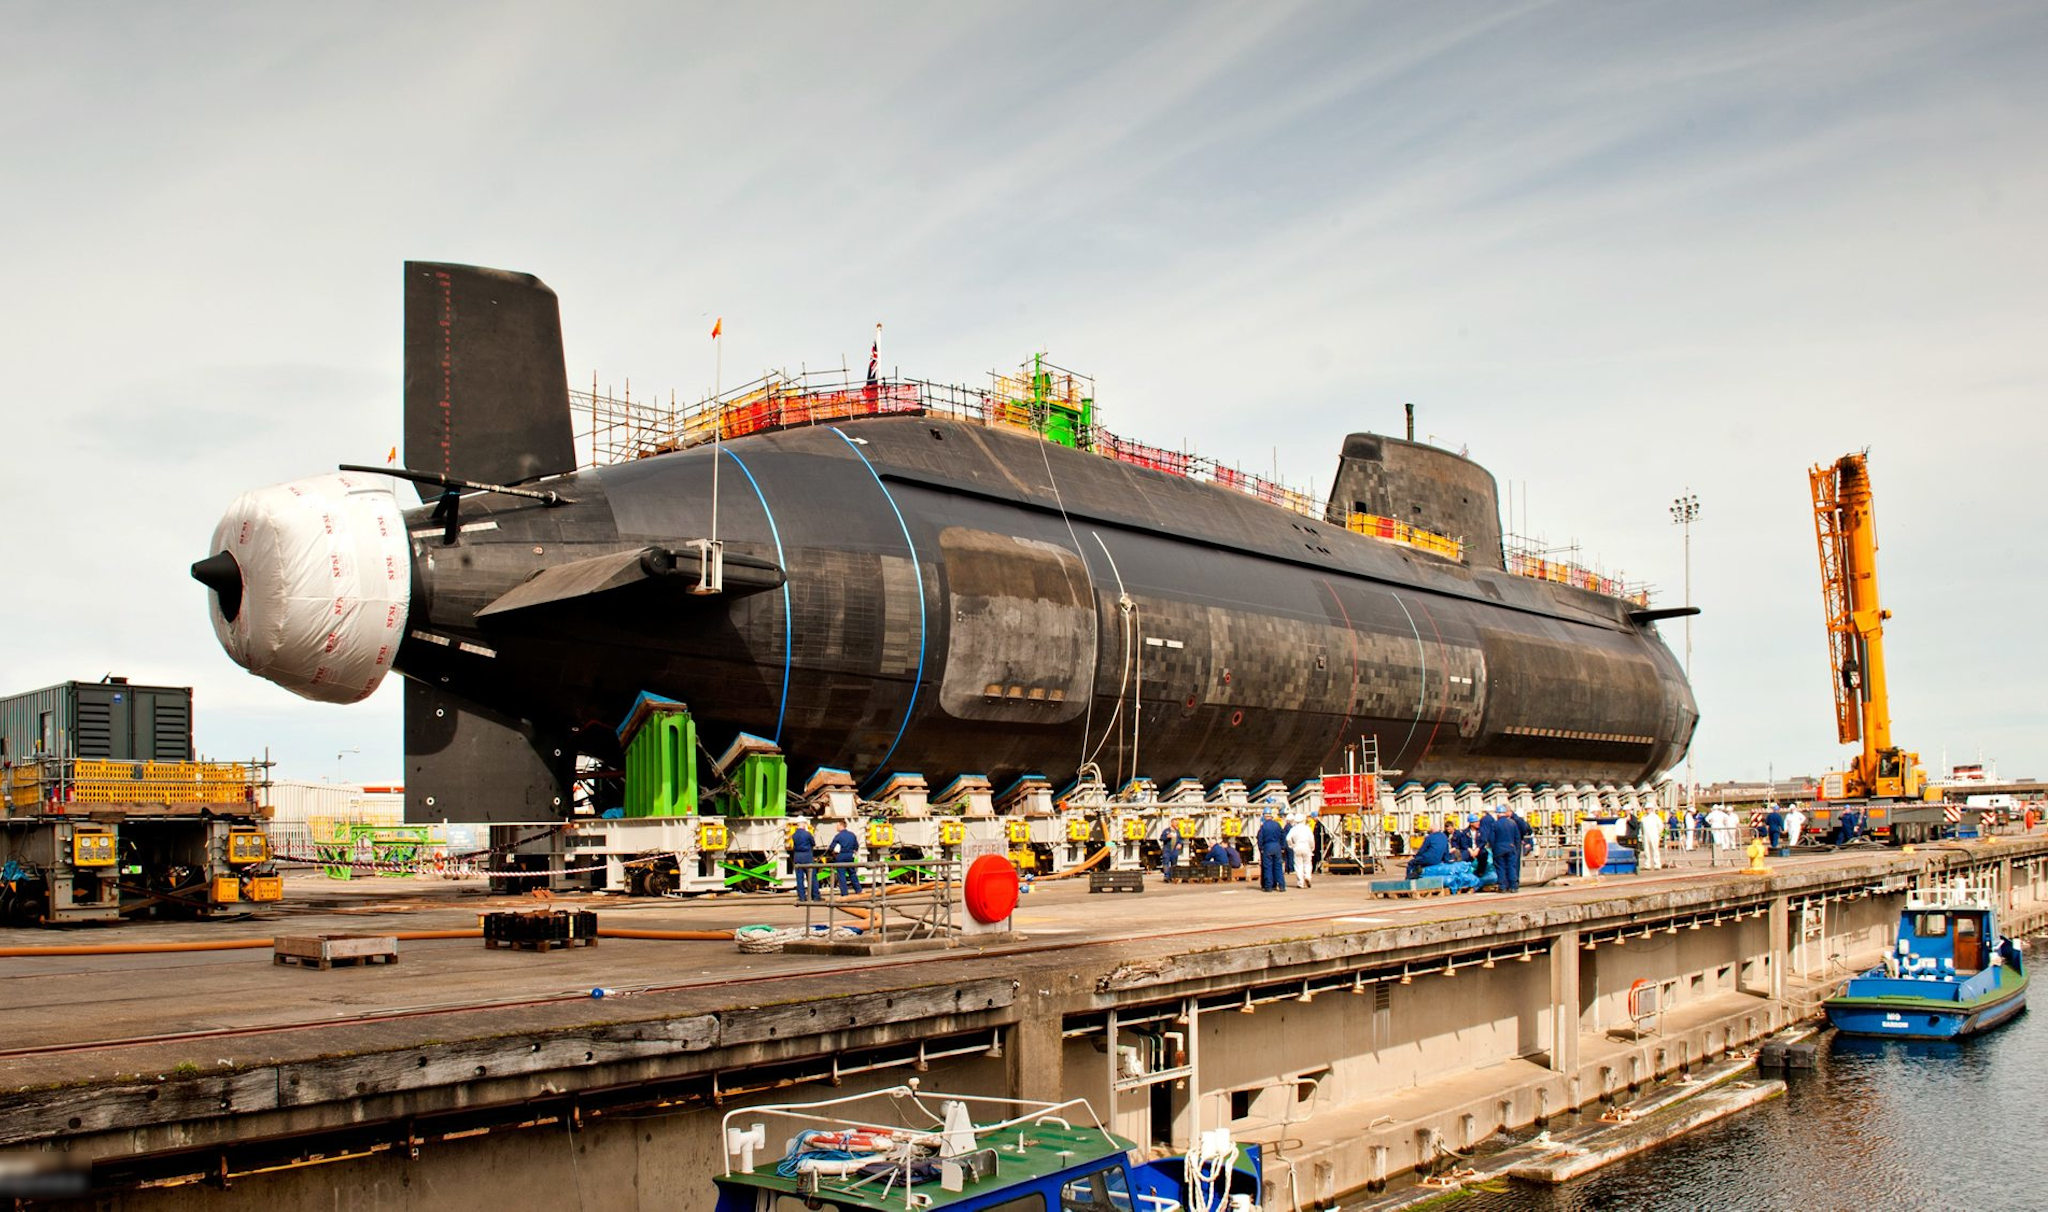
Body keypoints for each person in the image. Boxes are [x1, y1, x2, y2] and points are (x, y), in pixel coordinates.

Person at [1256, 811, 1287, 892]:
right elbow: (1283, 835)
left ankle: (1269, 887)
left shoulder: (1263, 826)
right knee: (1278, 867)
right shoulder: (1277, 825)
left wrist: (1261, 848)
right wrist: (1282, 847)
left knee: (1268, 867)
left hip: (1267, 847)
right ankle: (1281, 886)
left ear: (1264, 816)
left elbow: (1260, 838)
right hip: (1277, 847)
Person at [828, 822, 862, 894]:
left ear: (841, 826)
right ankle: (858, 890)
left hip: (841, 856)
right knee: (852, 873)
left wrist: (833, 853)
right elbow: (856, 846)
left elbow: (831, 847)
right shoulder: (852, 835)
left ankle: (844, 893)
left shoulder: (838, 836)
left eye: (837, 826)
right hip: (850, 856)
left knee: (841, 875)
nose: (836, 828)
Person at [790, 822, 818, 902]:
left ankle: (802, 897)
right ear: (804, 826)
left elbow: (794, 845)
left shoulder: (794, 835)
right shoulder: (807, 834)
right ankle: (815, 896)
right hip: (807, 857)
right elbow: (813, 843)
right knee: (812, 877)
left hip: (798, 857)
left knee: (799, 878)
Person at [1286, 816, 1316, 888]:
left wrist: (1291, 845)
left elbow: (1288, 838)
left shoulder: (1293, 829)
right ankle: (1308, 877)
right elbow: (1311, 839)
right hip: (1306, 846)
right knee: (1307, 863)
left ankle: (1300, 883)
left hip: (1297, 847)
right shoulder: (1307, 828)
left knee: (1298, 865)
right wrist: (1312, 847)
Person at [1640, 806, 1664, 870]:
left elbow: (1661, 826)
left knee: (1655, 850)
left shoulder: (1656, 817)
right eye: (1646, 809)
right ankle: (1647, 865)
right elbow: (1641, 828)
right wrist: (1642, 835)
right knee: (1646, 850)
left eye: (1648, 809)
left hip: (1654, 835)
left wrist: (1658, 834)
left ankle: (1657, 864)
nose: (1647, 810)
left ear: (1651, 809)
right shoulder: (1643, 818)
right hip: (1646, 835)